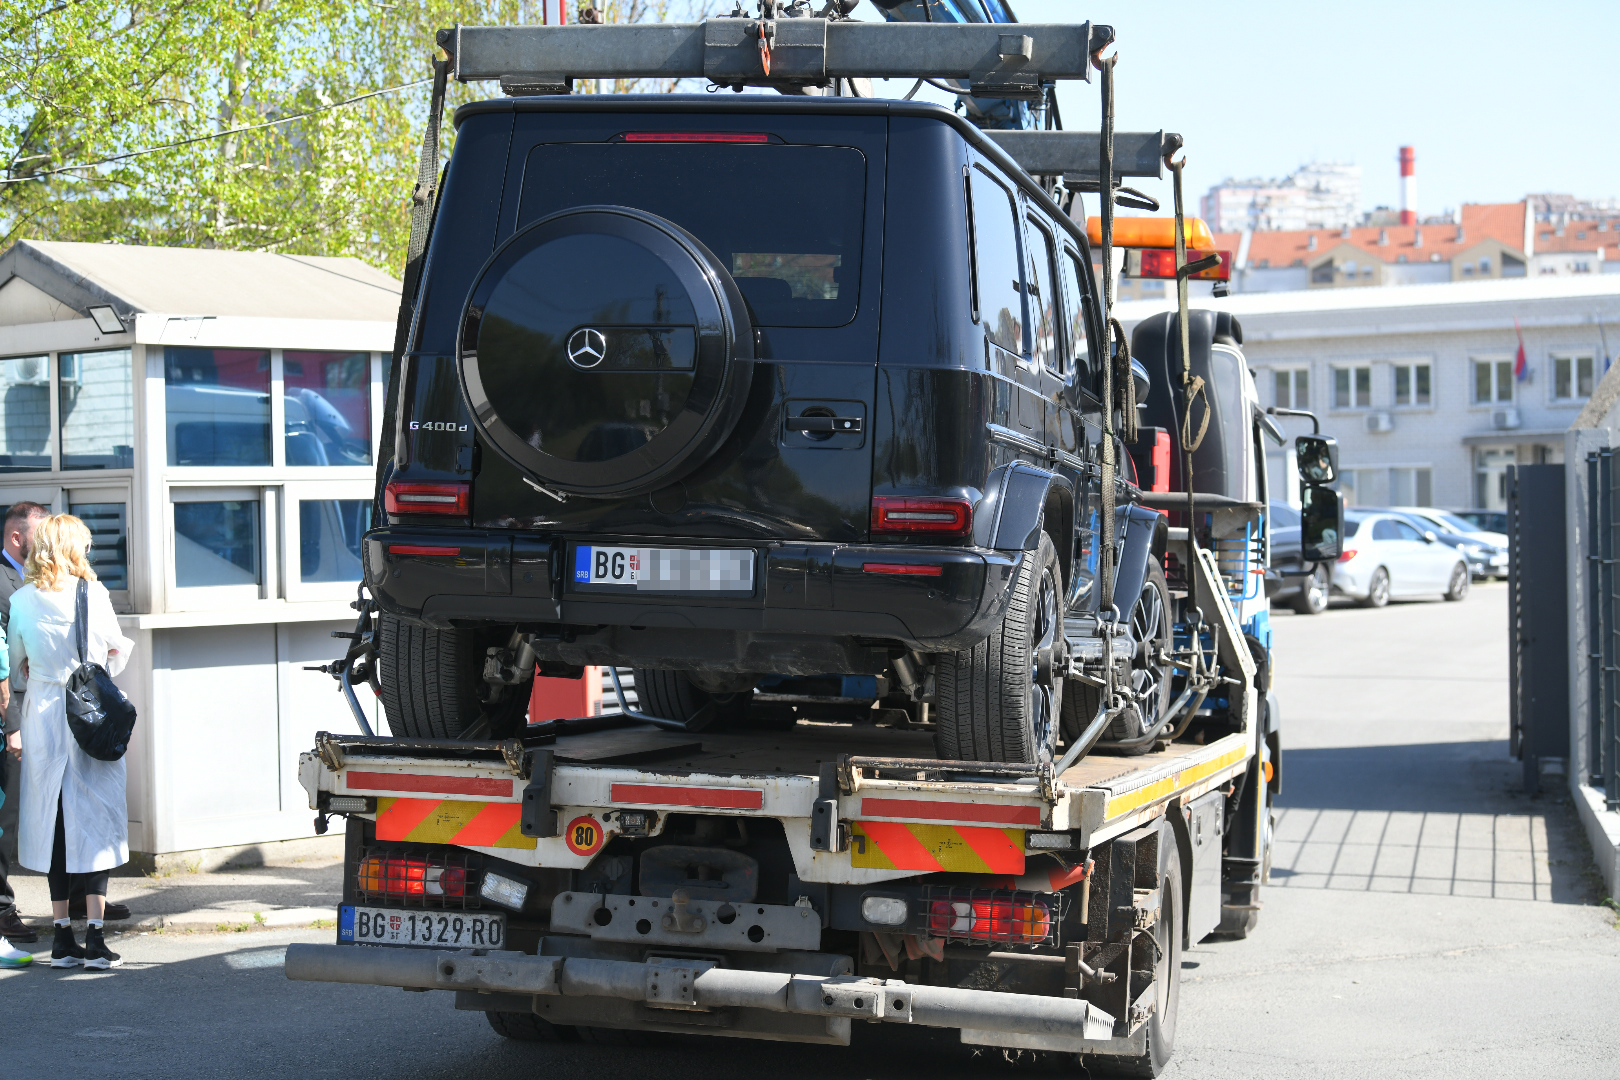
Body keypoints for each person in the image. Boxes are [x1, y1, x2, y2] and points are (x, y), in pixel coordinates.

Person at [5, 515, 134, 969]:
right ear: (74, 548)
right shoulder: (94, 595)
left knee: (54, 822)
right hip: (89, 718)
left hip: (44, 718)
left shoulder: (21, 600)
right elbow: (115, 653)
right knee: (95, 820)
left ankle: (61, 937)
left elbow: (17, 662)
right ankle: (96, 938)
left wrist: (40, 672)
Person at [0, 500, 47, 946]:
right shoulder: (2, 581)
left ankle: (79, 893)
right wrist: (12, 723)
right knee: (7, 817)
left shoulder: (41, 577)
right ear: (17, 537)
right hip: (11, 714)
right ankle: (1, 907)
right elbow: (2, 665)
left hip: (43, 711)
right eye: (40, 533)